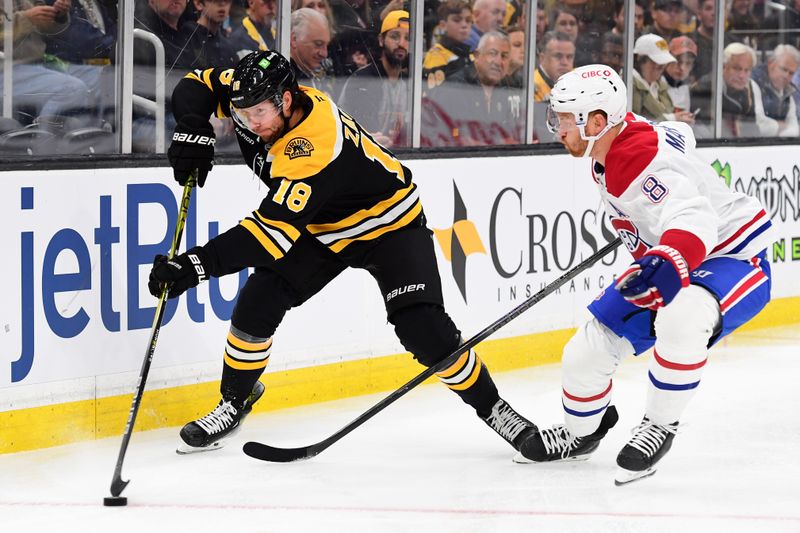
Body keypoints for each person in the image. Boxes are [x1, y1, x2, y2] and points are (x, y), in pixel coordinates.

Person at [151, 49, 542, 459]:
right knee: (258, 301)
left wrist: (194, 265)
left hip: (389, 227)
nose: (252, 123)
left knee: (423, 330)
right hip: (323, 227)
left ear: (287, 100)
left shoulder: (312, 146)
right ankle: (235, 400)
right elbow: (197, 82)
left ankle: (497, 410)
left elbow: (269, 235)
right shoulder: (255, 95)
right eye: (242, 113)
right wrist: (192, 125)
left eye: (261, 113)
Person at [520, 64, 773, 485]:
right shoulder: (617, 140)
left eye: (564, 119)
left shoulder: (636, 160)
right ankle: (580, 434)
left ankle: (660, 424)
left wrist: (665, 256)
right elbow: (679, 134)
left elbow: (695, 220)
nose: (557, 128)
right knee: (586, 352)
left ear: (597, 122)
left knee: (683, 314)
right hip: (673, 255)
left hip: (732, 255)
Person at [0, 0, 92, 123]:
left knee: (102, 78)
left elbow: (47, 29)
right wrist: (27, 18)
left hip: (36, 66)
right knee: (71, 89)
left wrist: (57, 15)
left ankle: (94, 136)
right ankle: (45, 140)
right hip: (7, 71)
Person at [427, 31, 522, 145]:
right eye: (492, 53)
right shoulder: (456, 86)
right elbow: (442, 136)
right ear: (477, 55)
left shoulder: (510, 88)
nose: (498, 62)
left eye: (504, 56)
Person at [339, 10, 410, 147]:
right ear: (381, 40)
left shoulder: (409, 83)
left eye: (408, 38)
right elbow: (364, 135)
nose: (401, 43)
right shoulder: (363, 80)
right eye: (395, 36)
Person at [631, 34, 695, 125]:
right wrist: (672, 119)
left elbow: (668, 110)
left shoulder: (659, 84)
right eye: (656, 62)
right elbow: (633, 122)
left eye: (664, 62)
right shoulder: (628, 84)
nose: (661, 67)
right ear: (639, 59)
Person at [422, 0, 473, 91]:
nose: (464, 25)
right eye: (457, 20)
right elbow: (433, 95)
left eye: (468, 20)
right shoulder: (435, 55)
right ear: (443, 25)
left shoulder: (471, 55)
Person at [752, 44, 800, 137]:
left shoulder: (789, 90)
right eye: (783, 69)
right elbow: (759, 126)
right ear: (771, 64)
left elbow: (794, 128)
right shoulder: (754, 82)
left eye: (791, 73)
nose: (786, 76)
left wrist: (777, 128)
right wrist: (779, 126)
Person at [289, 7, 338, 97]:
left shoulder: (321, 74)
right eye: (318, 44)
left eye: (326, 45)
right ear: (294, 39)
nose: (324, 54)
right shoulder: (282, 79)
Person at [534, 31, 575, 102]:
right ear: (542, 58)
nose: (565, 62)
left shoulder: (580, 79)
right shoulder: (531, 85)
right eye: (558, 56)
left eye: (569, 57)